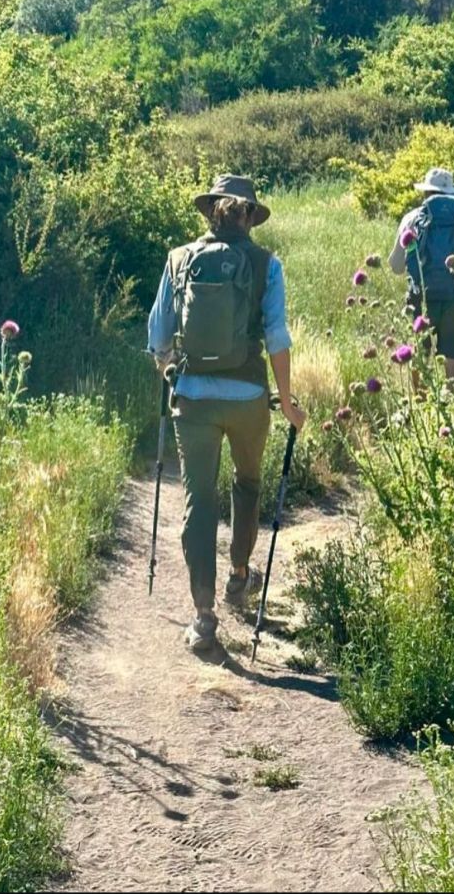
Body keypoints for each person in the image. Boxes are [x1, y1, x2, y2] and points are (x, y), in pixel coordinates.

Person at [148, 174, 306, 654]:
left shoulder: (179, 259)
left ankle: (203, 616)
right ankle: (240, 574)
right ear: (250, 217)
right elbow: (277, 338)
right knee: (247, 482)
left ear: (210, 211)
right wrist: (289, 401)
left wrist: (173, 374)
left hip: (193, 399)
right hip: (249, 398)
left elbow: (158, 338)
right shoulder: (265, 265)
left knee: (198, 501)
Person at [389, 167, 454, 381]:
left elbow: (396, 266)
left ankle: (420, 408)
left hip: (420, 297)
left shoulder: (411, 220)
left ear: (426, 192)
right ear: (451, 192)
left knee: (418, 357)